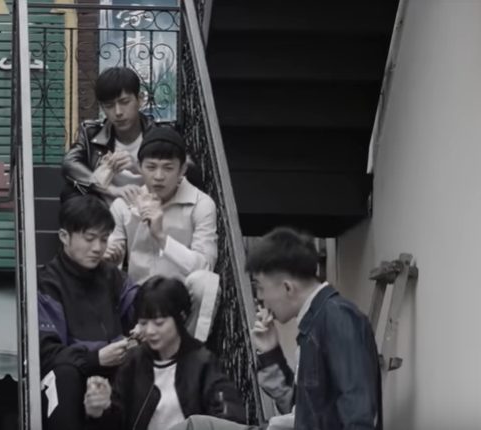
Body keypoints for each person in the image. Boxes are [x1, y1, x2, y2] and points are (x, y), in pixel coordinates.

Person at [168, 227, 382, 430]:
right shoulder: (316, 322)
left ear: (287, 287)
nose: (260, 298)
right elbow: (298, 409)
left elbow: (359, 411)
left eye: (261, 288)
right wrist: (270, 352)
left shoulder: (337, 317)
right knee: (196, 426)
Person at [83, 276, 247, 430]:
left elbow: (229, 416)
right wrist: (101, 409)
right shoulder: (134, 361)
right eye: (143, 323)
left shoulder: (202, 362)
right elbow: (117, 420)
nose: (150, 331)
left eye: (159, 323)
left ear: (181, 317)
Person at [37, 195, 141, 430]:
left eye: (104, 239)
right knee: (64, 373)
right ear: (64, 236)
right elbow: (46, 353)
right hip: (71, 379)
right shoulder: (47, 284)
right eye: (90, 238)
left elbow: (141, 303)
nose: (98, 248)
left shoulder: (113, 276)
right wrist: (96, 359)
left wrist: (143, 326)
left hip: (114, 377)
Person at [104, 126, 217, 284]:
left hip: (184, 293)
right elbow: (110, 256)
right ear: (139, 167)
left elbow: (205, 267)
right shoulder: (124, 204)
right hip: (138, 293)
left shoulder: (201, 204)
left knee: (204, 283)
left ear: (182, 170)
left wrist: (161, 237)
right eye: (151, 167)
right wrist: (108, 255)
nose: (158, 176)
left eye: (168, 168)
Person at [61, 66, 158, 203]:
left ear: (140, 100)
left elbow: (180, 173)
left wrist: (138, 167)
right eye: (109, 105)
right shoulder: (92, 133)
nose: (118, 112)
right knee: (70, 194)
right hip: (104, 210)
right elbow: (69, 164)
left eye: (125, 102)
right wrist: (111, 190)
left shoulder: (159, 134)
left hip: (151, 207)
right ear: (102, 107)